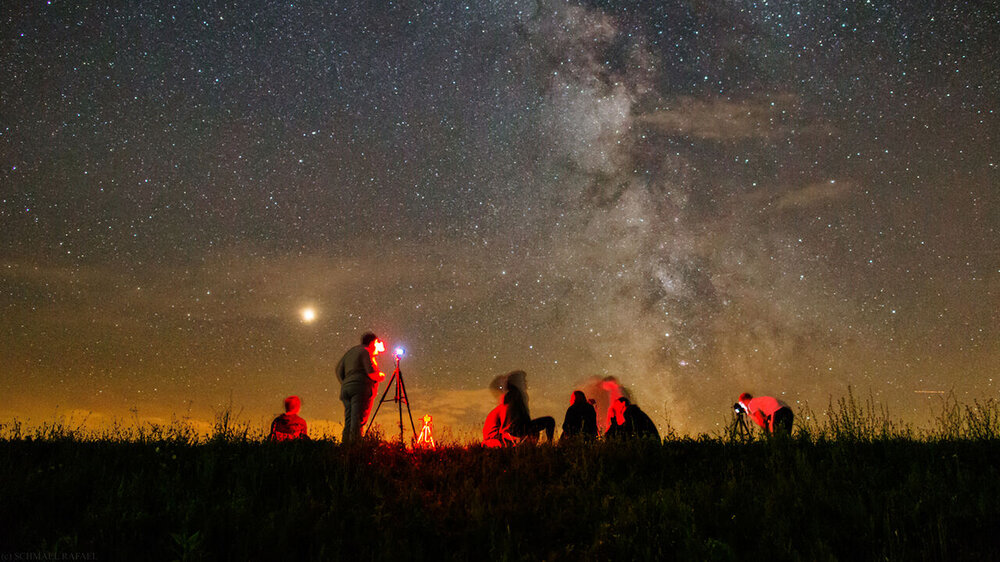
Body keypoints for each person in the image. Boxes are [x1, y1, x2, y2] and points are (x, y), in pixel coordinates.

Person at [335, 332, 386, 443]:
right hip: (360, 388)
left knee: (349, 420)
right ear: (372, 342)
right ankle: (355, 449)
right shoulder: (366, 351)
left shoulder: (350, 352)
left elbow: (338, 371)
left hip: (346, 389)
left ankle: (345, 447)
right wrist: (380, 376)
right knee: (357, 420)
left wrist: (347, 382)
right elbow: (371, 372)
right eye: (377, 342)